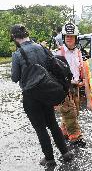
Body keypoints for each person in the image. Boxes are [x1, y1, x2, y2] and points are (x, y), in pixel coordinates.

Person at [10, 24, 73, 167]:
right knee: (52, 123)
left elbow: (14, 78)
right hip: (47, 91)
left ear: (14, 37)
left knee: (40, 128)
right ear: (27, 33)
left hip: (31, 95)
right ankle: (65, 153)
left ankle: (49, 158)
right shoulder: (41, 47)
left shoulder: (18, 54)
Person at [56, 22, 86, 147]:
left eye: (71, 36)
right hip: (64, 88)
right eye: (67, 36)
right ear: (64, 38)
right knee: (70, 112)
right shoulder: (59, 53)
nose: (69, 38)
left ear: (76, 38)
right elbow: (56, 74)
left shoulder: (78, 52)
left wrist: (83, 79)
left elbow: (81, 68)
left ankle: (63, 133)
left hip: (76, 87)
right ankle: (76, 137)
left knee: (74, 112)